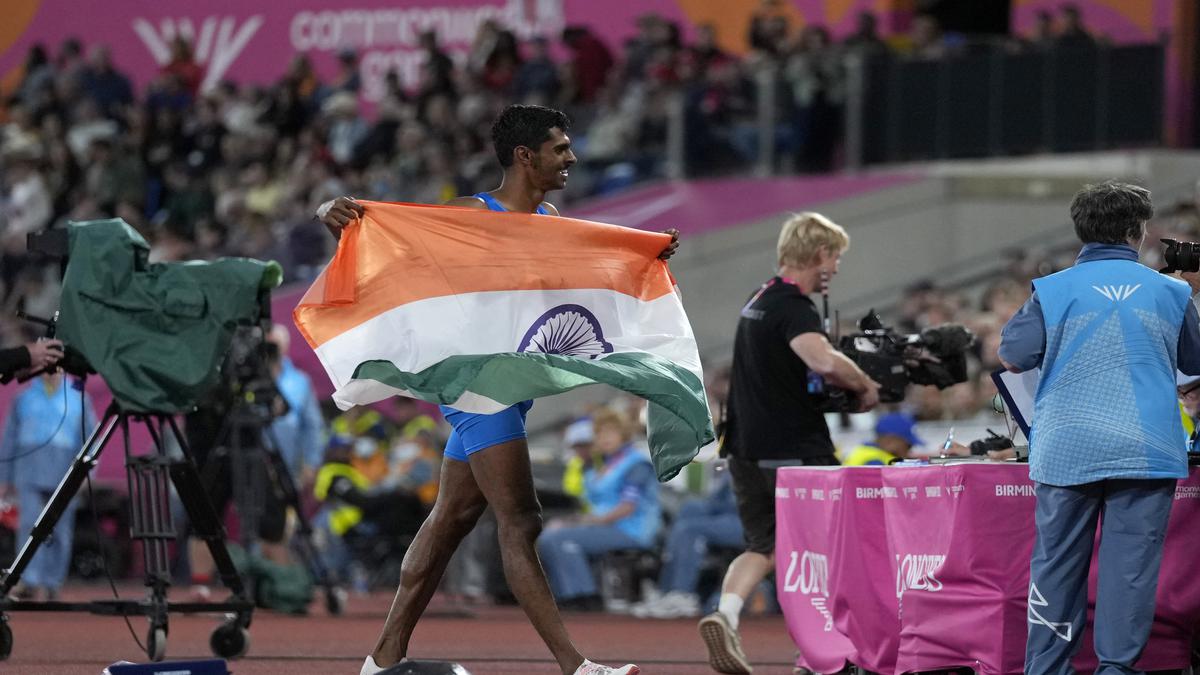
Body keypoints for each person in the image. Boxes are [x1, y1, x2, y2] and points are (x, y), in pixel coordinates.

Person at [317, 104, 679, 675]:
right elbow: (393, 236)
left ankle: (382, 658)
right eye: (560, 148)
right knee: (522, 519)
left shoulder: (552, 216)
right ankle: (577, 667)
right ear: (524, 156)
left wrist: (638, 254)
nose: (572, 157)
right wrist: (330, 211)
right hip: (477, 387)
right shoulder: (470, 213)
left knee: (451, 518)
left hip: (511, 384)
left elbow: (575, 276)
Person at [998, 180, 1200, 674]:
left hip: (1068, 446)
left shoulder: (1050, 290)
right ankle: (1116, 670)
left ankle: (1047, 670)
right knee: (1129, 573)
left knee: (1056, 565)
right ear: (1139, 232)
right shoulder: (1174, 291)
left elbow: (1013, 355)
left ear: (1081, 231)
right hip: (1146, 448)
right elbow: (1194, 361)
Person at [699, 212, 880, 675]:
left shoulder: (758, 298)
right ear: (819, 254)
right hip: (796, 452)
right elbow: (821, 360)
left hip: (744, 448)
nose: (836, 267)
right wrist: (864, 385)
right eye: (835, 256)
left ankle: (727, 614)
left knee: (765, 547)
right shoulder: (794, 307)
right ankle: (824, 656)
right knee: (827, 554)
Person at [537, 408, 661, 607]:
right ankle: (567, 594)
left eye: (610, 433)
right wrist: (572, 521)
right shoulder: (598, 467)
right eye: (599, 434)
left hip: (630, 529)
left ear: (624, 435)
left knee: (559, 538)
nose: (604, 439)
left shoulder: (636, 465)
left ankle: (585, 595)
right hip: (601, 526)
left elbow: (627, 508)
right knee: (548, 535)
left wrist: (585, 522)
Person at [0, 370, 97, 600]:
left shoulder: (78, 398)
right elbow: (10, 437)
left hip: (66, 471)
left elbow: (90, 438)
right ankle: (29, 579)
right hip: (29, 468)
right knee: (28, 526)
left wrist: (86, 473)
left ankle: (53, 581)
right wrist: (5, 477)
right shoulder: (23, 397)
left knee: (61, 530)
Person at [630, 469, 743, 619]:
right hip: (731, 512)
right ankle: (666, 591)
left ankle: (682, 593)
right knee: (689, 509)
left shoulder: (765, 459)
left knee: (689, 530)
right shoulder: (738, 458)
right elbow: (717, 502)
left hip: (754, 521)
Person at [839, 412, 923, 465]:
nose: (910, 451)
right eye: (908, 445)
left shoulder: (868, 452)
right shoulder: (874, 460)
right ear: (890, 441)